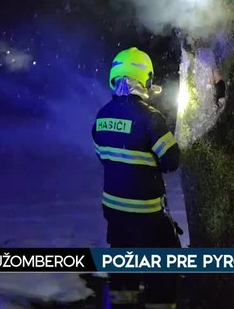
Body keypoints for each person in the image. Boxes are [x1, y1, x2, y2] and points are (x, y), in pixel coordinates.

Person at [92, 47, 183, 309]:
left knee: (123, 266)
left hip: (114, 211)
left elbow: (103, 155)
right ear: (146, 79)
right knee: (162, 266)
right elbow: (171, 161)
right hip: (147, 213)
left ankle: (123, 304)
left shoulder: (102, 116)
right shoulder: (151, 119)